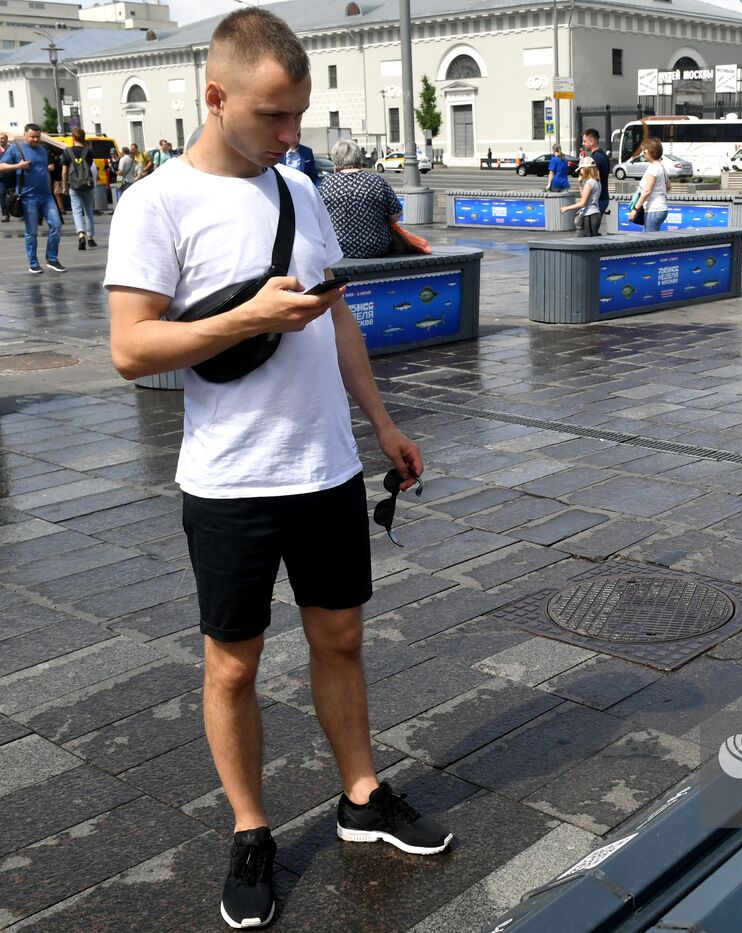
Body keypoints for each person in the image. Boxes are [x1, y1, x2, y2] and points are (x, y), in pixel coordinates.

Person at [104, 10, 450, 929]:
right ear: (215, 97)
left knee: (340, 641)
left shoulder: (297, 189)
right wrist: (250, 318)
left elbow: (335, 315)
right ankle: (251, 829)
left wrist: (382, 421)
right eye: (272, 116)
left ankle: (361, 797)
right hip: (229, 483)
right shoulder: (156, 202)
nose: (291, 136)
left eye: (299, 116)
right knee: (233, 666)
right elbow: (132, 349)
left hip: (327, 470)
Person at [0, 124, 65, 274]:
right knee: (32, 231)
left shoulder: (42, 150)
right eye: (32, 137)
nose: (36, 139)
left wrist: (55, 185)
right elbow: (1, 166)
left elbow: (44, 170)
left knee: (56, 225)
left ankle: (52, 259)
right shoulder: (16, 149)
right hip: (28, 197)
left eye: (38, 136)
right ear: (25, 135)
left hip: (46, 196)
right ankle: (33, 263)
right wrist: (18, 166)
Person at [319, 139, 401, 258]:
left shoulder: (327, 183)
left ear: (335, 159)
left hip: (337, 248)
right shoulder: (376, 181)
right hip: (376, 247)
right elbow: (396, 214)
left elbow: (318, 217)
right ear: (359, 157)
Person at [61, 128, 100, 251]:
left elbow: (64, 171)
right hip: (87, 185)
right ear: (83, 139)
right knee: (88, 210)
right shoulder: (87, 152)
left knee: (77, 211)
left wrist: (64, 186)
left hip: (74, 185)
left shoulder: (67, 152)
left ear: (73, 138)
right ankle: (90, 237)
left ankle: (81, 234)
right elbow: (89, 168)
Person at [562, 156, 602, 237]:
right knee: (587, 240)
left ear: (585, 169)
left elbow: (582, 203)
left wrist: (566, 208)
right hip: (595, 213)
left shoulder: (589, 183)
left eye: (581, 170)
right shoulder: (597, 181)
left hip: (590, 215)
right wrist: (580, 185)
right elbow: (584, 197)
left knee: (587, 242)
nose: (580, 173)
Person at [636, 137, 669, 231]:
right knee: (648, 240)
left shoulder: (653, 168)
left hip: (653, 209)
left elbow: (647, 191)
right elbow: (668, 186)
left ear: (648, 152)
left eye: (643, 151)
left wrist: (635, 209)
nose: (642, 154)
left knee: (649, 241)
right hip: (660, 208)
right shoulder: (661, 166)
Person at [581, 127, 610, 217]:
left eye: (585, 141)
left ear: (592, 141)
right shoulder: (603, 155)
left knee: (589, 229)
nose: (583, 144)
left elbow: (591, 181)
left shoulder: (595, 159)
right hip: (603, 197)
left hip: (597, 200)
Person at [0, 132, 11, 224]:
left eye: (2, 138)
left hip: (13, 175)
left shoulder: (11, 149)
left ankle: (21, 212)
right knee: (1, 194)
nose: (1, 140)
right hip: (1, 177)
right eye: (0, 138)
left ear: (6, 139)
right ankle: (5, 214)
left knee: (20, 193)